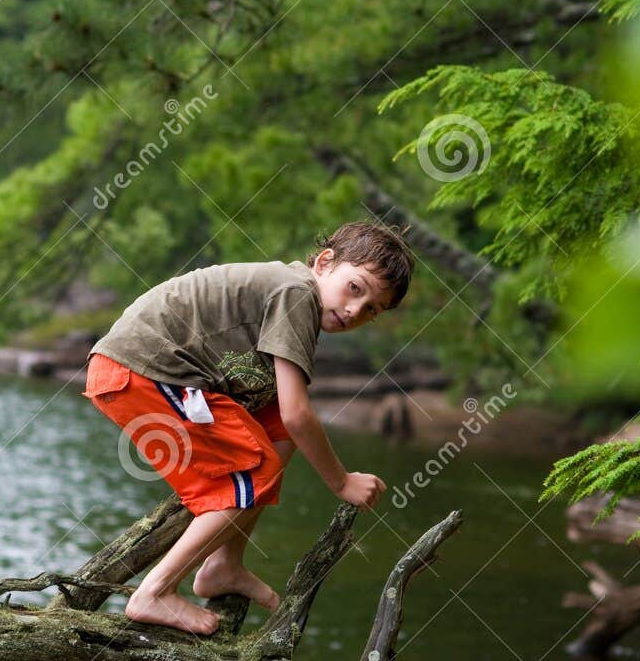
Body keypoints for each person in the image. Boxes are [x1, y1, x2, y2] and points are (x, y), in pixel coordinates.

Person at [81, 221, 414, 634]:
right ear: (326, 263)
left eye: (371, 310)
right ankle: (154, 591)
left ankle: (224, 563)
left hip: (161, 374)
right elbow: (300, 411)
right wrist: (341, 481)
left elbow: (284, 419)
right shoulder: (297, 294)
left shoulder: (296, 295)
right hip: (141, 370)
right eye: (355, 289)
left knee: (275, 430)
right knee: (249, 476)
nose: (354, 310)